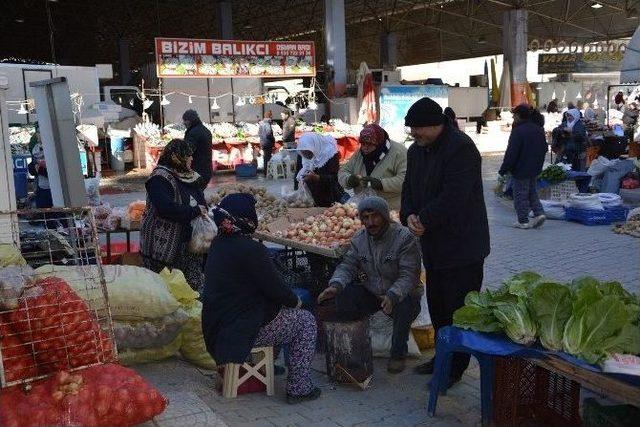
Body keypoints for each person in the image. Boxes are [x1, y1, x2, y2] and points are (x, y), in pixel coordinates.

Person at [400, 97, 490, 386]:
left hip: (463, 247)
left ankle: (454, 369)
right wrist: (409, 215)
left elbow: (455, 197)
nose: (414, 136)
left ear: (435, 125)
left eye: (418, 130)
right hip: (434, 246)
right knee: (438, 307)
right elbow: (408, 188)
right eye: (412, 131)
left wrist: (424, 219)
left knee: (458, 310)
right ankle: (442, 356)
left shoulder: (461, 149)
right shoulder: (417, 151)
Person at [202, 193, 320, 404]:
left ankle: (264, 367)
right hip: (238, 330)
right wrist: (297, 302)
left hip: (217, 326)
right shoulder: (250, 249)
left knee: (273, 312)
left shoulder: (218, 243)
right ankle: (299, 388)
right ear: (246, 218)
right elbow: (276, 289)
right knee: (304, 322)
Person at [317, 196, 422, 374]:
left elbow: (409, 275)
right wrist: (335, 285)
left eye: (375, 216)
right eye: (365, 218)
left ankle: (398, 354)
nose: (370, 222)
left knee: (405, 306)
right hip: (373, 293)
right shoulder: (359, 239)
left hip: (400, 295)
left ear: (385, 216)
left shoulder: (404, 238)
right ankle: (352, 346)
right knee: (346, 295)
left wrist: (392, 296)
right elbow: (348, 266)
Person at [140, 139, 208, 291]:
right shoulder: (159, 178)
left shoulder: (188, 175)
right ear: (177, 156)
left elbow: (198, 197)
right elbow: (165, 208)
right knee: (168, 290)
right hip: (164, 246)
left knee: (193, 290)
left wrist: (202, 208)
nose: (191, 158)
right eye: (188, 155)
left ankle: (195, 314)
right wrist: (195, 211)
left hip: (189, 244)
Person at [499, 105, 547, 229]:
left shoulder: (518, 131)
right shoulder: (538, 129)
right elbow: (545, 148)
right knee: (532, 191)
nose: (513, 117)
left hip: (521, 168)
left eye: (514, 115)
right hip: (535, 168)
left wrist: (504, 169)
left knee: (520, 194)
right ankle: (539, 213)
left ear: (519, 116)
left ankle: (523, 220)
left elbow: (512, 152)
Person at [339, 124, 407, 210]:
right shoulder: (360, 153)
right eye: (363, 144)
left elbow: (406, 179)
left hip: (391, 209)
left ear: (379, 144)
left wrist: (381, 184)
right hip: (363, 207)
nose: (365, 148)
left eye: (369, 144)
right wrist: (348, 180)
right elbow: (343, 171)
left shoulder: (399, 152)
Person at [296, 132, 346, 207]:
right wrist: (297, 191)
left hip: (331, 197)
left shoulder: (330, 154)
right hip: (310, 199)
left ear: (314, 146)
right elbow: (297, 172)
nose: (305, 155)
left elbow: (335, 178)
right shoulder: (302, 153)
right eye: (303, 152)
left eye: (308, 152)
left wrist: (318, 178)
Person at [183, 110, 213, 190]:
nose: (184, 123)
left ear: (189, 121)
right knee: (199, 194)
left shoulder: (193, 133)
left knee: (194, 195)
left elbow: (187, 151)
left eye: (185, 120)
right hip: (207, 169)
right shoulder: (206, 131)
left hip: (197, 170)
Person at [258, 111, 276, 177]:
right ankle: (268, 172)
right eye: (271, 116)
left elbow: (259, 133)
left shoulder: (261, 123)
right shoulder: (267, 123)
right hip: (268, 143)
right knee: (268, 158)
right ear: (269, 116)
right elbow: (268, 134)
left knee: (265, 158)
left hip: (263, 142)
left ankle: (265, 172)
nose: (272, 117)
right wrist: (273, 139)